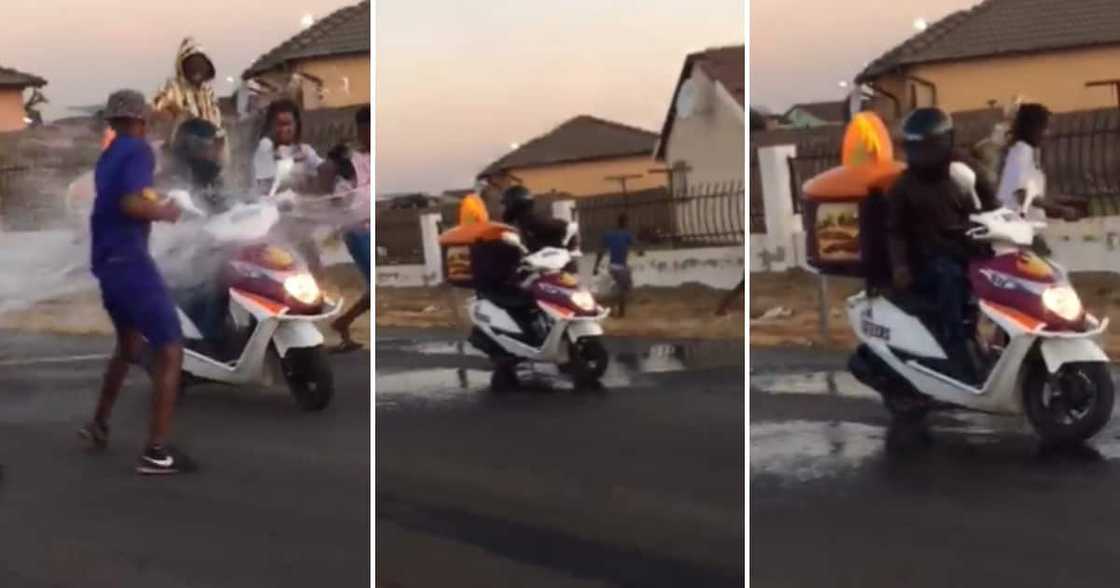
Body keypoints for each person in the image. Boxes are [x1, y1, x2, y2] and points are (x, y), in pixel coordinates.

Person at [78, 89, 192, 475]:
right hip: (130, 264)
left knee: (127, 346)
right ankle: (156, 451)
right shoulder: (138, 151)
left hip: (108, 266)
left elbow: (121, 198)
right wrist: (165, 211)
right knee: (170, 350)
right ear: (140, 120)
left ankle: (98, 425)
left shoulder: (107, 158)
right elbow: (130, 203)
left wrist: (151, 200)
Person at [887, 107, 987, 385]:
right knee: (949, 277)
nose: (923, 154)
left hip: (961, 254)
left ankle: (994, 352)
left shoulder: (958, 178)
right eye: (918, 148)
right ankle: (955, 353)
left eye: (929, 146)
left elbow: (980, 211)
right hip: (927, 261)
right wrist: (900, 266)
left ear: (946, 142)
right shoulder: (902, 188)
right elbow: (894, 232)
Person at [253, 99, 325, 274]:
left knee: (315, 269)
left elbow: (323, 172)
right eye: (278, 124)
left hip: (303, 226)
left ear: (296, 125)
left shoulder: (305, 152)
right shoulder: (264, 153)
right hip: (277, 228)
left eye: (288, 124)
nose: (284, 129)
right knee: (288, 272)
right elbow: (261, 191)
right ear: (270, 126)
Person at [325, 106, 371, 353]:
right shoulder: (351, 162)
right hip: (357, 230)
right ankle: (341, 323)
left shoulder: (371, 160)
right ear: (362, 130)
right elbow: (338, 198)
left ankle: (342, 323)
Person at [997, 103, 1085, 222]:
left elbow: (1034, 196)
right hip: (1016, 227)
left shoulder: (1024, 152)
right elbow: (1023, 196)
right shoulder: (1022, 152)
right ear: (1033, 128)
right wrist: (1062, 210)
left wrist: (1065, 202)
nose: (1048, 133)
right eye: (1045, 128)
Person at [152, 37, 223, 134]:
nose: (196, 69)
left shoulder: (208, 91)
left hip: (209, 143)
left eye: (200, 64)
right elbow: (158, 111)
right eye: (192, 64)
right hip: (182, 143)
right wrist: (177, 115)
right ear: (182, 66)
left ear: (207, 67)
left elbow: (216, 120)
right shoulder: (172, 87)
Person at [593, 214, 638, 318]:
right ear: (626, 223)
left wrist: (595, 266)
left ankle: (614, 308)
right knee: (623, 290)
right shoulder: (627, 234)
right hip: (621, 267)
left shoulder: (609, 234)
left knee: (621, 288)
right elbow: (637, 247)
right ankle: (619, 312)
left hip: (612, 266)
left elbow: (600, 251)